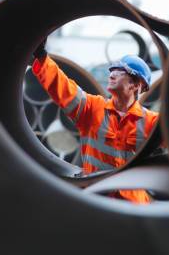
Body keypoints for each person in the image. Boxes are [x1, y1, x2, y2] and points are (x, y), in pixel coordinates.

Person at [31, 39, 159, 204]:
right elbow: (62, 88)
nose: (111, 74)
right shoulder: (92, 108)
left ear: (136, 85)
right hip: (96, 201)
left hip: (133, 207)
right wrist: (41, 57)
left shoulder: (150, 121)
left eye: (120, 72)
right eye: (112, 70)